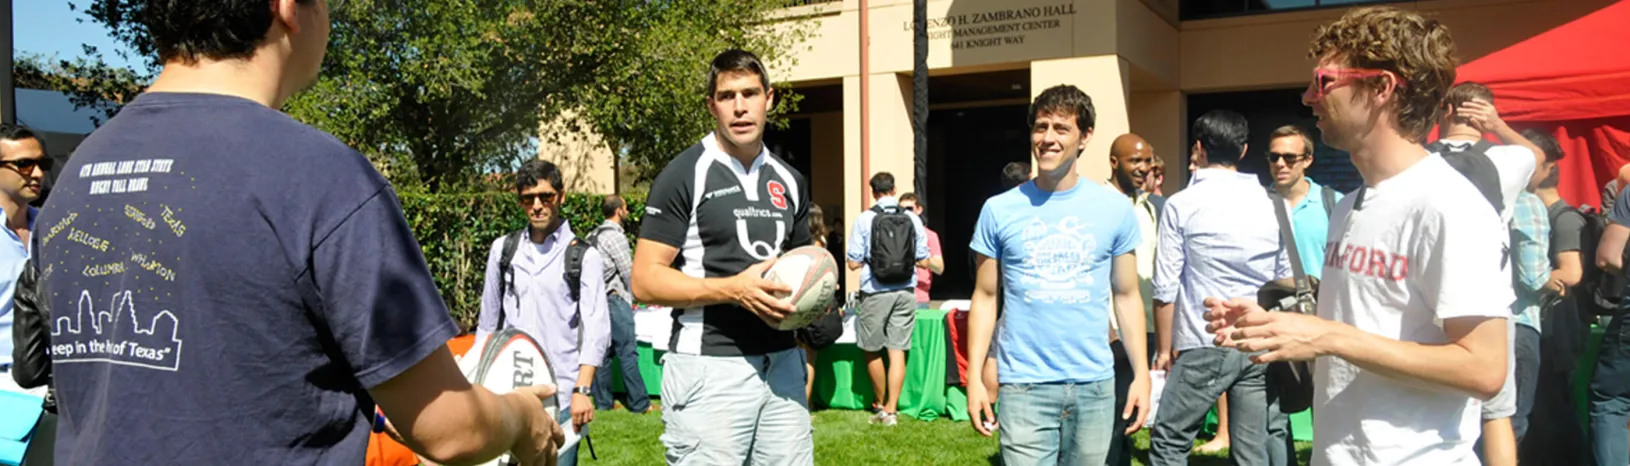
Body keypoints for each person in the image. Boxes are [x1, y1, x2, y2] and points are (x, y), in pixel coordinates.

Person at [34, 1, 566, 464]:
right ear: (287, 6)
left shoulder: (79, 170)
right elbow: (448, 428)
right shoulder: (319, 175)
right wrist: (521, 416)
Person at [1207, 7, 1512, 465]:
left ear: (1382, 88)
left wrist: (1328, 337)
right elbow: (1359, 323)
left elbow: (1485, 368)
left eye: (1324, 82)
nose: (1309, 98)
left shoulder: (1450, 205)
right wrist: (1274, 324)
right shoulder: (1350, 204)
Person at [632, 48, 815, 465]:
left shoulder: (790, 179)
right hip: (709, 367)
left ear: (769, 98)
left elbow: (802, 262)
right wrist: (733, 290)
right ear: (711, 104)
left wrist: (818, 294)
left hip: (784, 363)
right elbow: (644, 279)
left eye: (750, 93)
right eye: (727, 96)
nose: (740, 107)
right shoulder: (684, 173)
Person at [965, 84, 1150, 465]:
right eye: (1040, 127)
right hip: (1023, 386)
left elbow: (1127, 295)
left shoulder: (1114, 210)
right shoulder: (999, 210)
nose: (1047, 138)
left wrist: (1142, 374)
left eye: (1061, 129)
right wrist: (975, 378)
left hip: (1095, 384)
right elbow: (985, 297)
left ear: (1085, 137)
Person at [1148, 110, 1292, 466]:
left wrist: (1164, 350)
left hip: (1203, 337)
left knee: (1169, 440)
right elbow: (1285, 278)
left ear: (1198, 148)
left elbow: (1165, 285)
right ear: (1243, 151)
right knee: (1251, 449)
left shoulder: (1181, 204)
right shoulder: (1274, 203)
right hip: (1257, 337)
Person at [846, 172, 932, 426]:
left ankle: (881, 405)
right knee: (897, 351)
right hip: (906, 290)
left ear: (873, 192)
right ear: (895, 189)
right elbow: (923, 259)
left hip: (875, 290)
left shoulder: (864, 219)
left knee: (871, 349)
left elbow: (853, 263)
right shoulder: (912, 220)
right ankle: (892, 411)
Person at [1104, 133, 1164, 466]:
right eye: (1135, 161)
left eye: (1148, 160)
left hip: (1147, 326)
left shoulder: (1150, 206)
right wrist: (1105, 323)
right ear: (1114, 162)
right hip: (1112, 329)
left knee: (1131, 416)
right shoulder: (1098, 203)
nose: (1144, 167)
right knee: (1111, 416)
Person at [589, 194, 652, 415]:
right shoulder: (615, 237)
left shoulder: (592, 235)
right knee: (627, 352)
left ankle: (603, 403)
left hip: (595, 301)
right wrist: (639, 295)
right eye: (625, 207)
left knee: (602, 354)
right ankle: (640, 404)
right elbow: (627, 271)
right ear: (619, 211)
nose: (627, 211)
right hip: (615, 298)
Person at [0, 124, 46, 397]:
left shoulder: (53, 227)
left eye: (42, 163)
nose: (38, 173)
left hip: (49, 378)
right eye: (24, 164)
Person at [897, 193, 943, 308]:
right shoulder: (894, 235)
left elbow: (939, 268)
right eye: (901, 210)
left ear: (919, 210)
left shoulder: (930, 235)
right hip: (897, 295)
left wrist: (920, 258)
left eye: (909, 209)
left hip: (919, 297)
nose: (906, 213)